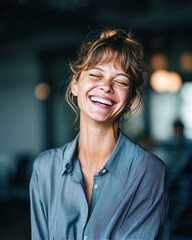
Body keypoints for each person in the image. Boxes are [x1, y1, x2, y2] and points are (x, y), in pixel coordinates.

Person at [30, 27, 169, 240]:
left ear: (130, 100)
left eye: (121, 81)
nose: (106, 86)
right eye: (95, 74)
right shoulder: (45, 169)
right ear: (75, 84)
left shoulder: (148, 171)